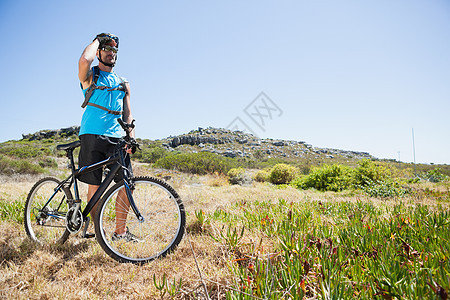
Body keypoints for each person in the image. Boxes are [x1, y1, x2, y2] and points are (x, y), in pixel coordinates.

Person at [78, 33, 138, 242]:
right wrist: (96, 40)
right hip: (92, 135)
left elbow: (128, 113)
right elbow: (85, 59)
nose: (111, 53)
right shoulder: (90, 76)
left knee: (127, 184)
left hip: (117, 137)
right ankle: (98, 232)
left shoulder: (123, 82)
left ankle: (120, 233)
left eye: (114, 50)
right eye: (107, 49)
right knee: (95, 186)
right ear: (99, 52)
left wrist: (130, 136)